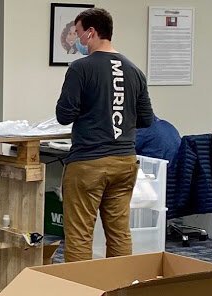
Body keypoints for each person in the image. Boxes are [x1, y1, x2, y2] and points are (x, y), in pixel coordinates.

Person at [55, 8, 155, 262]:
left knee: (79, 235)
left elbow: (64, 115)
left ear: (91, 32)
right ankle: (117, 291)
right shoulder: (134, 71)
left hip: (88, 163)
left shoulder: (81, 68)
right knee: (120, 233)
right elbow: (146, 119)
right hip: (124, 162)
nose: (76, 40)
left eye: (78, 33)